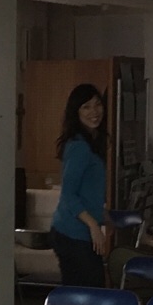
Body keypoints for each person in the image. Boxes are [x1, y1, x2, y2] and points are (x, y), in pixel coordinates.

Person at [49, 83, 110, 287]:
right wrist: (93, 225)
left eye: (97, 105)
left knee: (85, 293)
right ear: (76, 112)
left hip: (79, 230)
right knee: (87, 295)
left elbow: (88, 191)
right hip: (72, 232)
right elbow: (68, 194)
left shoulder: (92, 142)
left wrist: (104, 216)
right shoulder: (79, 147)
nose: (94, 112)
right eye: (86, 107)